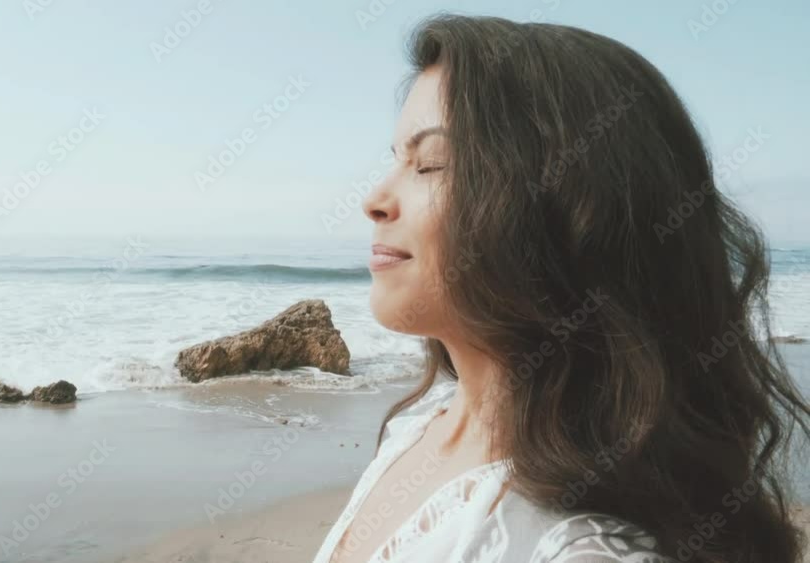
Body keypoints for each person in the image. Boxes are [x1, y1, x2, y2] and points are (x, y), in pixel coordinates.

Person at [311, 14, 809, 563]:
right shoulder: (420, 426)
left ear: (565, 213)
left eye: (431, 164)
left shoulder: (580, 548)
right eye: (398, 160)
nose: (374, 199)